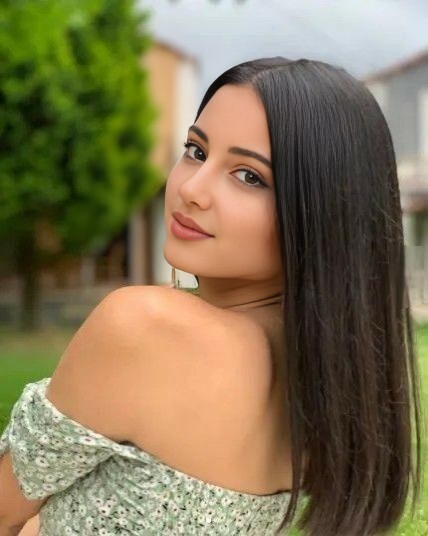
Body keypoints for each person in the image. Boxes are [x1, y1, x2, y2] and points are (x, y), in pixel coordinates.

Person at [0, 56, 423, 535]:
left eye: (249, 176)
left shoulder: (145, 328)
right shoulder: (331, 381)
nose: (192, 189)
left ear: (323, 213)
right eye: (196, 151)